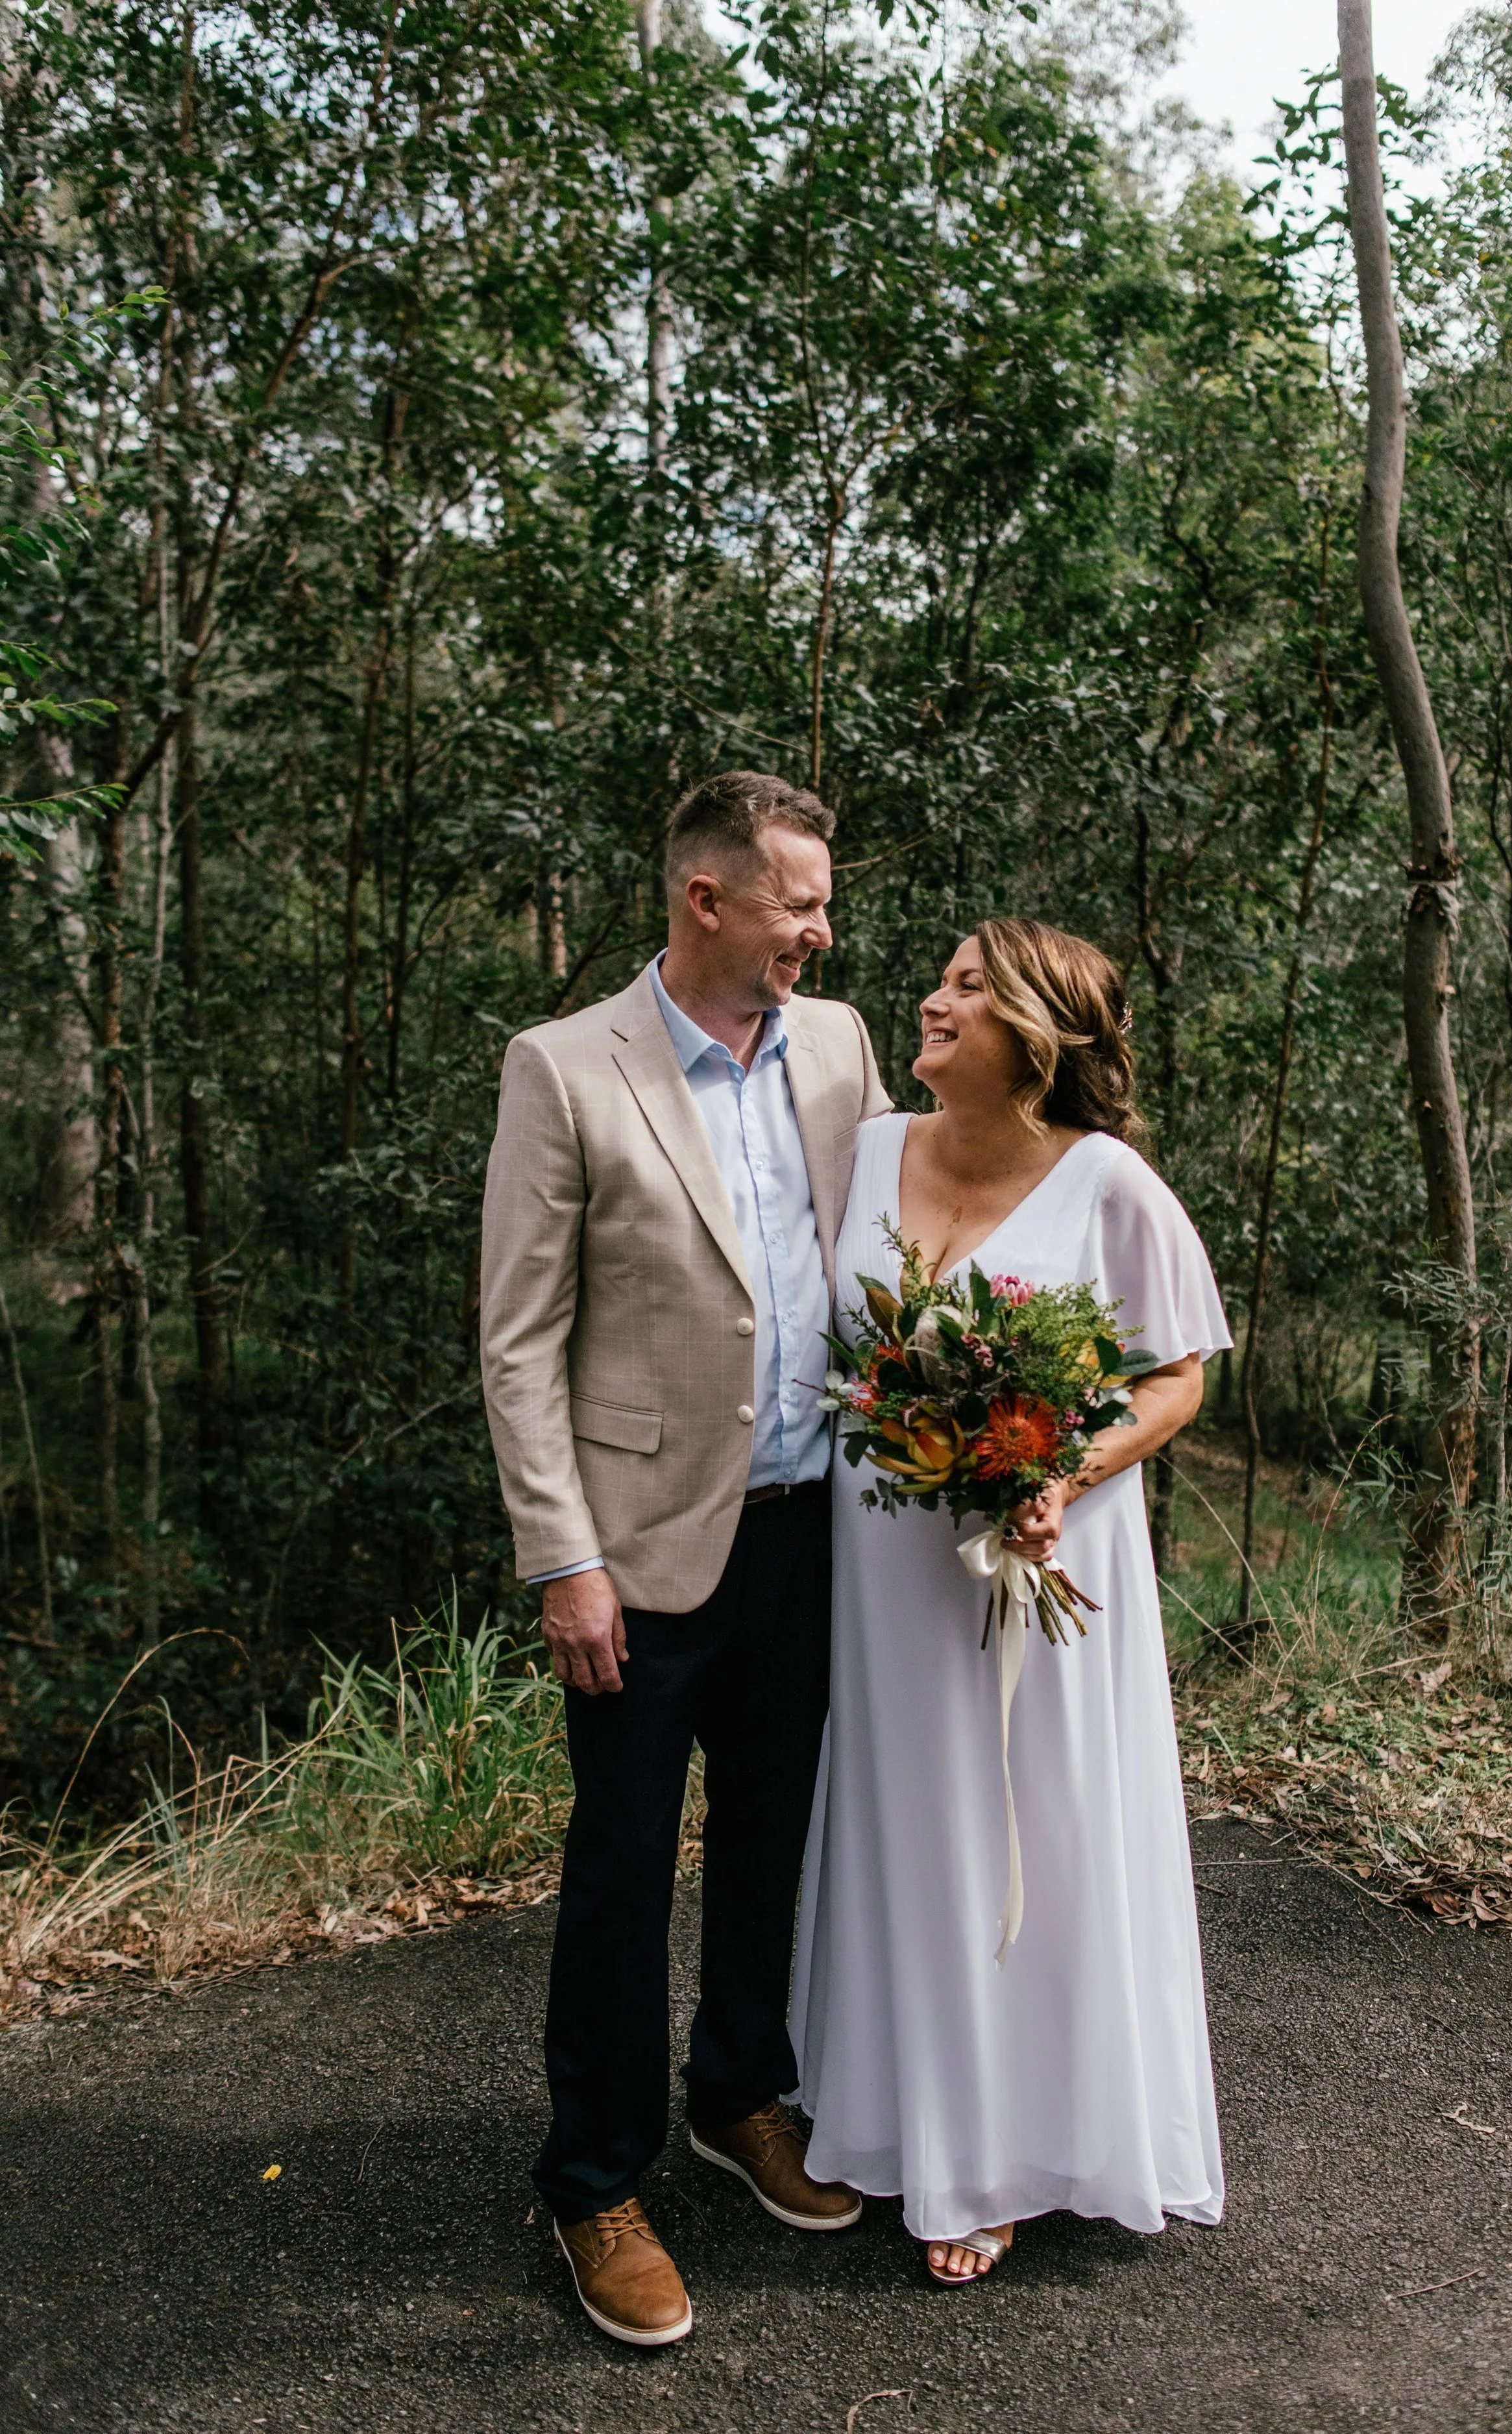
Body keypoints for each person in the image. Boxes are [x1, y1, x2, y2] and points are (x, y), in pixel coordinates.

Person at [480, 772, 889, 2347]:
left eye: (823, 903)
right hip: (639, 1555)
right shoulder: (565, 1068)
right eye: (797, 900)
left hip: (813, 1535)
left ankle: (742, 2096)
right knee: (622, 1868)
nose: (821, 928)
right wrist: (560, 1558)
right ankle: (593, 2180)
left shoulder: (843, 1044)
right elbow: (520, 1342)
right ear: (704, 898)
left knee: (777, 1837)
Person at [790, 916, 1229, 2285]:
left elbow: (1174, 1377)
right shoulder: (863, 1150)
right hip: (883, 1560)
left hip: (1045, 1555)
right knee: (910, 1816)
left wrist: (1059, 1469)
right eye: (943, 977)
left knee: (1037, 1819)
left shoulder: (1106, 1184)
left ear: (1036, 1035)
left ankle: (1011, 2152)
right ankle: (903, 2112)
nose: (932, 1000)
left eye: (968, 990)